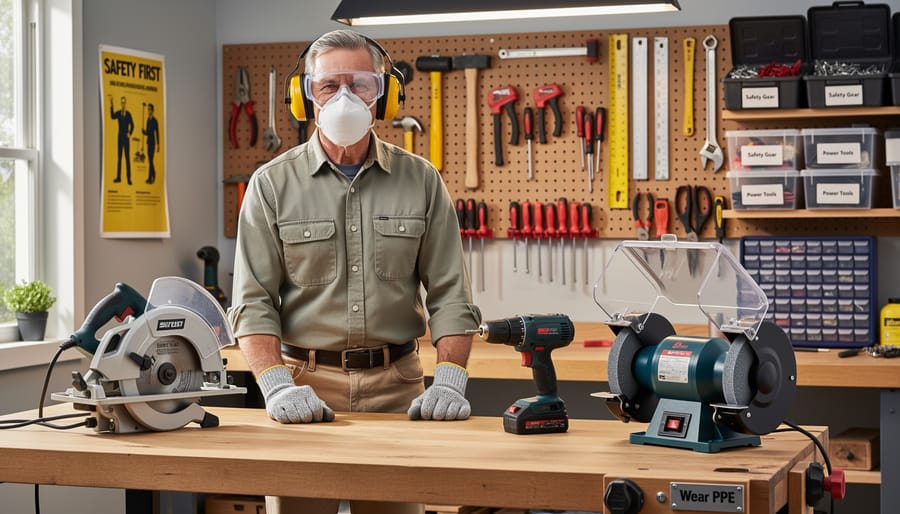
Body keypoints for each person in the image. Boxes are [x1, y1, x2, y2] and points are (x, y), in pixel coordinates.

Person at [227, 29, 481, 514]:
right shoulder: (270, 185)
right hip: (303, 388)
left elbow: (450, 294)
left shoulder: (422, 180)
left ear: (383, 94)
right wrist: (276, 385)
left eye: (360, 84)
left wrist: (450, 376)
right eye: (329, 86)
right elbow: (253, 302)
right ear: (307, 98)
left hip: (397, 388)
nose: (345, 97)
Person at [110, 95, 134, 185]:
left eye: (124, 102)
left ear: (126, 103)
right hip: (119, 137)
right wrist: (111, 104)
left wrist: (130, 133)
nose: (123, 104)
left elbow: (133, 125)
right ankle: (118, 178)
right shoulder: (119, 113)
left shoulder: (128, 114)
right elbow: (112, 116)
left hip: (126, 138)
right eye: (122, 102)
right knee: (119, 158)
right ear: (121, 103)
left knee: (127, 158)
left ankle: (129, 179)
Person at [142, 103, 160, 184]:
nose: (148, 111)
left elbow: (157, 133)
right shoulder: (147, 120)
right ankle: (150, 177)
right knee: (150, 160)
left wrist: (158, 144)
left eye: (150, 109)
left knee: (151, 160)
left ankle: (153, 175)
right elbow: (148, 132)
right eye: (148, 109)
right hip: (148, 142)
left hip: (153, 142)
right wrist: (144, 132)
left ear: (153, 110)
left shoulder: (155, 121)